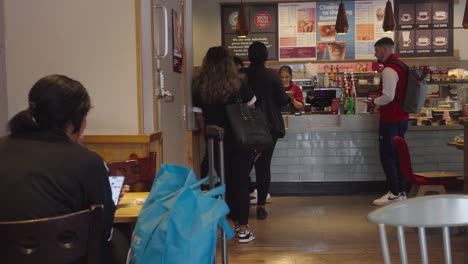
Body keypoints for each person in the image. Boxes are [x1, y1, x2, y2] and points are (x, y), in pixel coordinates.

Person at [0, 75, 128, 263]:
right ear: (75, 120)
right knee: (120, 238)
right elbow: (103, 234)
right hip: (65, 259)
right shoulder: (89, 162)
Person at [192, 46, 257, 243]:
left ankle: (220, 225)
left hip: (215, 142)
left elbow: (199, 117)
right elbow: (252, 107)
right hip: (240, 141)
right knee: (240, 183)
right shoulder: (238, 84)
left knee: (218, 183)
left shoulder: (198, 86)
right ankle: (243, 228)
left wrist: (207, 135)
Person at [241, 41, 289, 219]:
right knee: (263, 166)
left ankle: (240, 201)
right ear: (266, 56)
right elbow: (283, 100)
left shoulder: (242, 75)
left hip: (245, 126)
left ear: (249, 55)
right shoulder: (272, 75)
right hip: (269, 126)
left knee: (243, 165)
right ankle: (261, 205)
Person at [367, 37, 409, 206]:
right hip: (402, 118)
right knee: (398, 155)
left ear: (384, 49)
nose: (375, 53)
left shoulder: (389, 69)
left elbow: (388, 97)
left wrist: (374, 102)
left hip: (391, 119)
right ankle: (401, 191)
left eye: (376, 50)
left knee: (388, 155)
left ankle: (394, 192)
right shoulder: (401, 66)